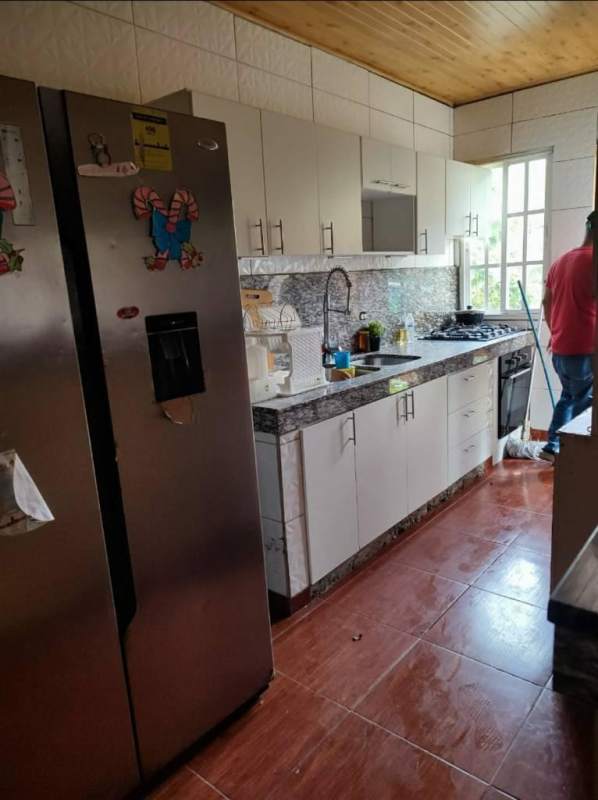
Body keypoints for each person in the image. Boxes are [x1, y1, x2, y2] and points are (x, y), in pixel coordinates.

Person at [540, 210, 596, 463]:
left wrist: (556, 332)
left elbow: (546, 302)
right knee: (585, 406)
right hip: (585, 350)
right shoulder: (593, 262)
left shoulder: (561, 261)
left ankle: (552, 446)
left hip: (561, 349)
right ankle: (576, 459)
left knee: (569, 396)